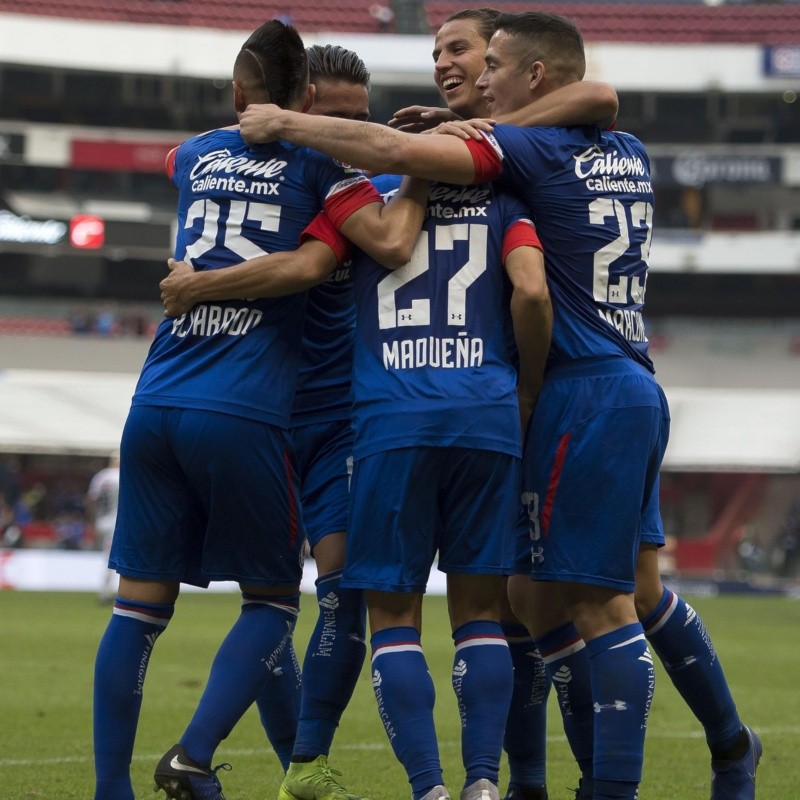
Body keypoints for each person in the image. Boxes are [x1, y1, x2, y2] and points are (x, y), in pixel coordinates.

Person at [236, 11, 761, 800]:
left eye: (476, 60)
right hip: (620, 381)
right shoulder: (620, 151)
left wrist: (290, 122)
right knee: (537, 601)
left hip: (558, 393)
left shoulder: (520, 152)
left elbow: (406, 162)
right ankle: (648, 760)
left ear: (525, 72)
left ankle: (603, 783)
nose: (464, 73)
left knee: (591, 602)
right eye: (442, 54)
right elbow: (597, 100)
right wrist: (469, 120)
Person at [92, 20, 427, 800]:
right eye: (327, 115)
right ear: (302, 103)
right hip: (256, 413)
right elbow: (340, 254)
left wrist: (197, 281)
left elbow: (191, 158)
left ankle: (295, 764)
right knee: (272, 602)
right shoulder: (330, 177)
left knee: (289, 594)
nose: (342, 135)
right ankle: (232, 758)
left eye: (359, 124)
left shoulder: (203, 155)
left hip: (224, 400)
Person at [86, 453, 121, 604]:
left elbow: (91, 500)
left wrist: (92, 522)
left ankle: (108, 591)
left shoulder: (100, 477)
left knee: (107, 555)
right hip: (116, 522)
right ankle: (106, 592)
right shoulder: (121, 476)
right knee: (111, 558)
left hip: (102, 521)